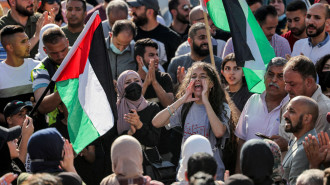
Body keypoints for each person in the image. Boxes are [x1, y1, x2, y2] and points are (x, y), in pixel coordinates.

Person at [152, 62, 230, 180]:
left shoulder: (221, 107)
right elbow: (156, 122)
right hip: (186, 174)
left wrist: (206, 101)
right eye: (193, 76)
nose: (197, 79)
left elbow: (219, 132)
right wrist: (182, 100)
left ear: (211, 84)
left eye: (203, 76)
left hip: (212, 175)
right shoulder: (185, 107)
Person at [235, 57, 289, 172]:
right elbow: (241, 140)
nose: (274, 80)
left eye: (280, 76)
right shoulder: (253, 100)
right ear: (264, 77)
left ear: (288, 81)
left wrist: (286, 144)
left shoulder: (292, 106)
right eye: (270, 74)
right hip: (248, 174)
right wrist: (238, 173)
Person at [276, 56, 330, 150]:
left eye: (292, 84)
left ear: (309, 82)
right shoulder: (288, 102)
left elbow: (315, 154)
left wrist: (287, 146)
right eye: (286, 83)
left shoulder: (323, 110)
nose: (287, 89)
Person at [0, 25, 40, 125]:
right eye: (23, 42)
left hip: (37, 129)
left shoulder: (38, 67)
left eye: (27, 40)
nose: (28, 44)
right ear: (10, 47)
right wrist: (14, 123)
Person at [128, 0, 181, 70]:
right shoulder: (130, 33)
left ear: (150, 12)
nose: (132, 11)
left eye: (137, 8)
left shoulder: (172, 38)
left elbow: (175, 69)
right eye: (132, 7)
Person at [31, 27, 69, 125]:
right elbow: (42, 106)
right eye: (54, 53)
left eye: (63, 50)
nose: (60, 56)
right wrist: (69, 84)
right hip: (57, 126)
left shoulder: (82, 57)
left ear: (67, 42)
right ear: (45, 50)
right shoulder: (41, 70)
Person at [222, 5, 291, 59]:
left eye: (275, 27)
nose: (273, 32)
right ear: (257, 24)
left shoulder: (282, 43)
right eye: (269, 28)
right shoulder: (234, 43)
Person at [116, 70, 160, 146]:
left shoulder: (152, 107)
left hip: (146, 156)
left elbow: (154, 141)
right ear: (120, 87)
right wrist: (129, 133)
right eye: (128, 82)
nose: (133, 84)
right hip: (122, 156)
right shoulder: (115, 109)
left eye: (137, 81)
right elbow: (109, 142)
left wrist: (139, 125)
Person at [282, 96, 319, 185]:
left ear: (307, 118)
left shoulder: (305, 148)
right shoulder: (297, 138)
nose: (285, 115)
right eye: (287, 110)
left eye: (291, 111)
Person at [135, 38, 174, 109]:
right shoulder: (131, 79)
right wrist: (146, 83)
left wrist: (154, 82)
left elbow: (169, 105)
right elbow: (132, 106)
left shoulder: (164, 77)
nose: (156, 58)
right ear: (139, 59)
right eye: (151, 55)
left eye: (157, 55)